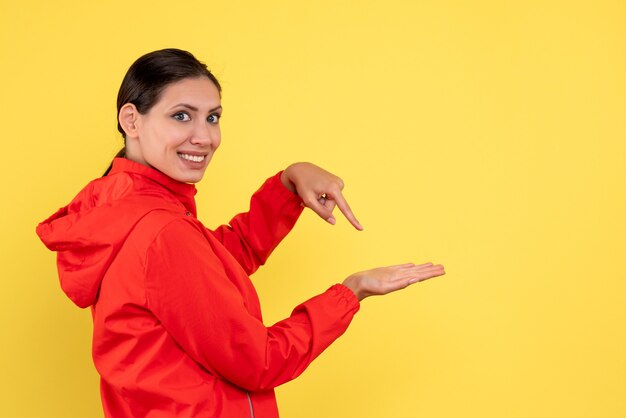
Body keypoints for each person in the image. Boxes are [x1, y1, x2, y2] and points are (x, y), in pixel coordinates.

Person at [36, 48, 445, 418]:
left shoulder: (126, 209)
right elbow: (259, 361)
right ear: (132, 120)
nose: (204, 136)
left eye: (212, 117)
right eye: (182, 115)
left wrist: (288, 184)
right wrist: (350, 293)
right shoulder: (161, 231)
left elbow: (212, 265)